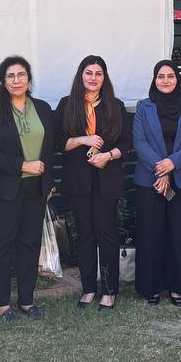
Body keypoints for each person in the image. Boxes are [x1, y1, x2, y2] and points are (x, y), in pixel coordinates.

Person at [0, 56, 56, 321]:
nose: (16, 80)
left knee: (30, 244)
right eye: (10, 76)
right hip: (5, 190)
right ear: (3, 81)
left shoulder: (43, 108)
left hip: (36, 189)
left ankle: (26, 300)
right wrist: (23, 165)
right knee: (2, 246)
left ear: (29, 79)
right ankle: (1, 303)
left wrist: (49, 182)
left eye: (21, 75)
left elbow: (50, 150)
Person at [55, 55, 129, 311]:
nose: (93, 78)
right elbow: (58, 143)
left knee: (106, 233)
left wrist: (108, 156)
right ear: (81, 75)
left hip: (107, 179)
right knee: (85, 234)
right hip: (78, 180)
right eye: (89, 73)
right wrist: (82, 140)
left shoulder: (115, 106)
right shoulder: (67, 104)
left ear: (104, 77)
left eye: (98, 73)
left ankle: (109, 291)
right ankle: (88, 288)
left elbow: (126, 144)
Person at [132, 61, 181, 305]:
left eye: (170, 76)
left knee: (180, 234)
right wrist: (161, 170)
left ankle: (178, 286)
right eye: (160, 76)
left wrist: (172, 163)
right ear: (154, 79)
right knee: (151, 233)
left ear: (177, 79)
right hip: (149, 179)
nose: (165, 80)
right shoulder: (143, 107)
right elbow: (139, 141)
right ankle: (151, 286)